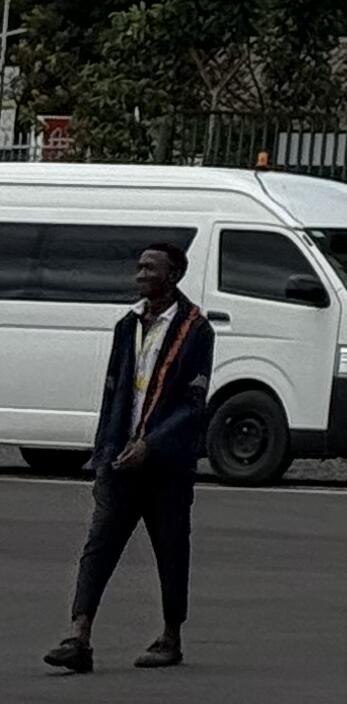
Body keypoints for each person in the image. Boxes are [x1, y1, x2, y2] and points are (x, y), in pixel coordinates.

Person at [46, 238, 210, 676]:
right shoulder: (127, 325)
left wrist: (151, 444)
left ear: (173, 276)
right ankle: (79, 636)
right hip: (120, 462)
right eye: (139, 268)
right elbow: (113, 395)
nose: (140, 275)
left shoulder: (195, 331)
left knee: (171, 549)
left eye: (150, 269)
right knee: (98, 547)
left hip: (166, 467)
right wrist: (104, 456)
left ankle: (170, 636)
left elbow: (192, 404)